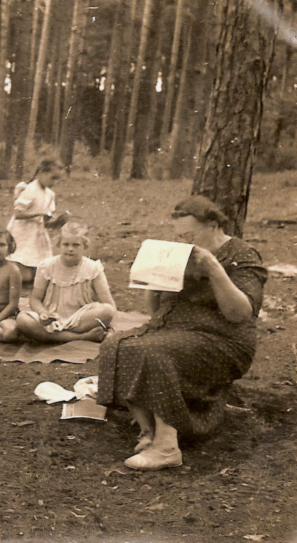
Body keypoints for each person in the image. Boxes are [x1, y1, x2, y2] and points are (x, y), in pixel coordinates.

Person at [97, 196, 268, 471]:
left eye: (189, 235)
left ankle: (167, 447)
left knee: (154, 351)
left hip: (223, 339)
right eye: (179, 236)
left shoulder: (241, 255)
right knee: (115, 343)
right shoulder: (181, 255)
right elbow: (156, 312)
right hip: (174, 331)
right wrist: (153, 281)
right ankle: (147, 430)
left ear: (212, 225)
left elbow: (240, 314)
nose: (184, 241)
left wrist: (215, 270)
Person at [0, 221, 116, 344]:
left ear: (84, 246)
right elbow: (35, 298)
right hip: (53, 318)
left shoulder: (93, 268)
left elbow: (108, 303)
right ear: (59, 244)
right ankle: (82, 337)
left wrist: (109, 324)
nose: (70, 249)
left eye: (76, 245)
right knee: (23, 319)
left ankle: (55, 336)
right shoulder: (47, 266)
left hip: (81, 318)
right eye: (66, 244)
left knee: (107, 310)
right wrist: (43, 313)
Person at [6, 160, 58, 283]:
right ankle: (6, 270)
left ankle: (28, 271)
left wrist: (55, 221)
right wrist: (39, 213)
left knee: (40, 274)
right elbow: (18, 214)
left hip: (37, 233)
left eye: (57, 179)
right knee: (23, 274)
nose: (54, 182)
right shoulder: (30, 190)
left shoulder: (50, 194)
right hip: (22, 232)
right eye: (52, 178)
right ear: (42, 173)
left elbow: (46, 218)